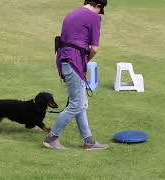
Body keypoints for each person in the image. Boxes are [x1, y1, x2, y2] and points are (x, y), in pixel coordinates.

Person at [43, 0, 109, 150]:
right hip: (75, 62)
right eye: (101, 9)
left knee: (80, 103)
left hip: (64, 60)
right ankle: (52, 138)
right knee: (76, 104)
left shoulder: (71, 14)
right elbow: (94, 48)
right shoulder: (94, 17)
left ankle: (89, 141)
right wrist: (85, 61)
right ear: (99, 5)